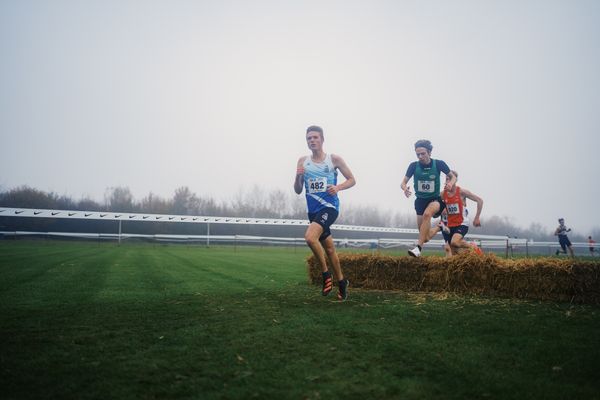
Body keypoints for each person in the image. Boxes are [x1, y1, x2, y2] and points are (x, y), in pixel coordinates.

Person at [294, 125, 356, 300]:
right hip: (312, 211)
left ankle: (325, 274)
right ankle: (343, 283)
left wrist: (337, 187)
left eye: (315, 137)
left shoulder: (333, 159)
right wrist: (298, 176)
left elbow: (352, 180)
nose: (312, 140)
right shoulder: (302, 161)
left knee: (310, 237)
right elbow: (298, 190)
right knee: (329, 249)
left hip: (329, 208)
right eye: (309, 138)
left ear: (322, 139)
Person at [401, 139, 456, 257]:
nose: (420, 156)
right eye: (418, 154)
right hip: (420, 201)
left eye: (423, 153)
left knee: (427, 214)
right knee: (425, 237)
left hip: (435, 200)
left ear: (429, 152)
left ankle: (418, 249)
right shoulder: (413, 166)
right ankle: (439, 227)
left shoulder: (439, 164)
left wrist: (450, 183)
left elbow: (452, 177)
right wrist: (405, 188)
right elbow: (403, 182)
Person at [441, 170, 484, 255]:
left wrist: (477, 217)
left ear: (455, 180)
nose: (447, 181)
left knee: (455, 242)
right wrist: (442, 209)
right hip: (450, 225)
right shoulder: (443, 194)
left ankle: (473, 247)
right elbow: (436, 203)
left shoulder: (462, 192)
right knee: (453, 251)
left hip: (462, 223)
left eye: (449, 179)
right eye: (446, 179)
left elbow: (480, 200)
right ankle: (466, 258)